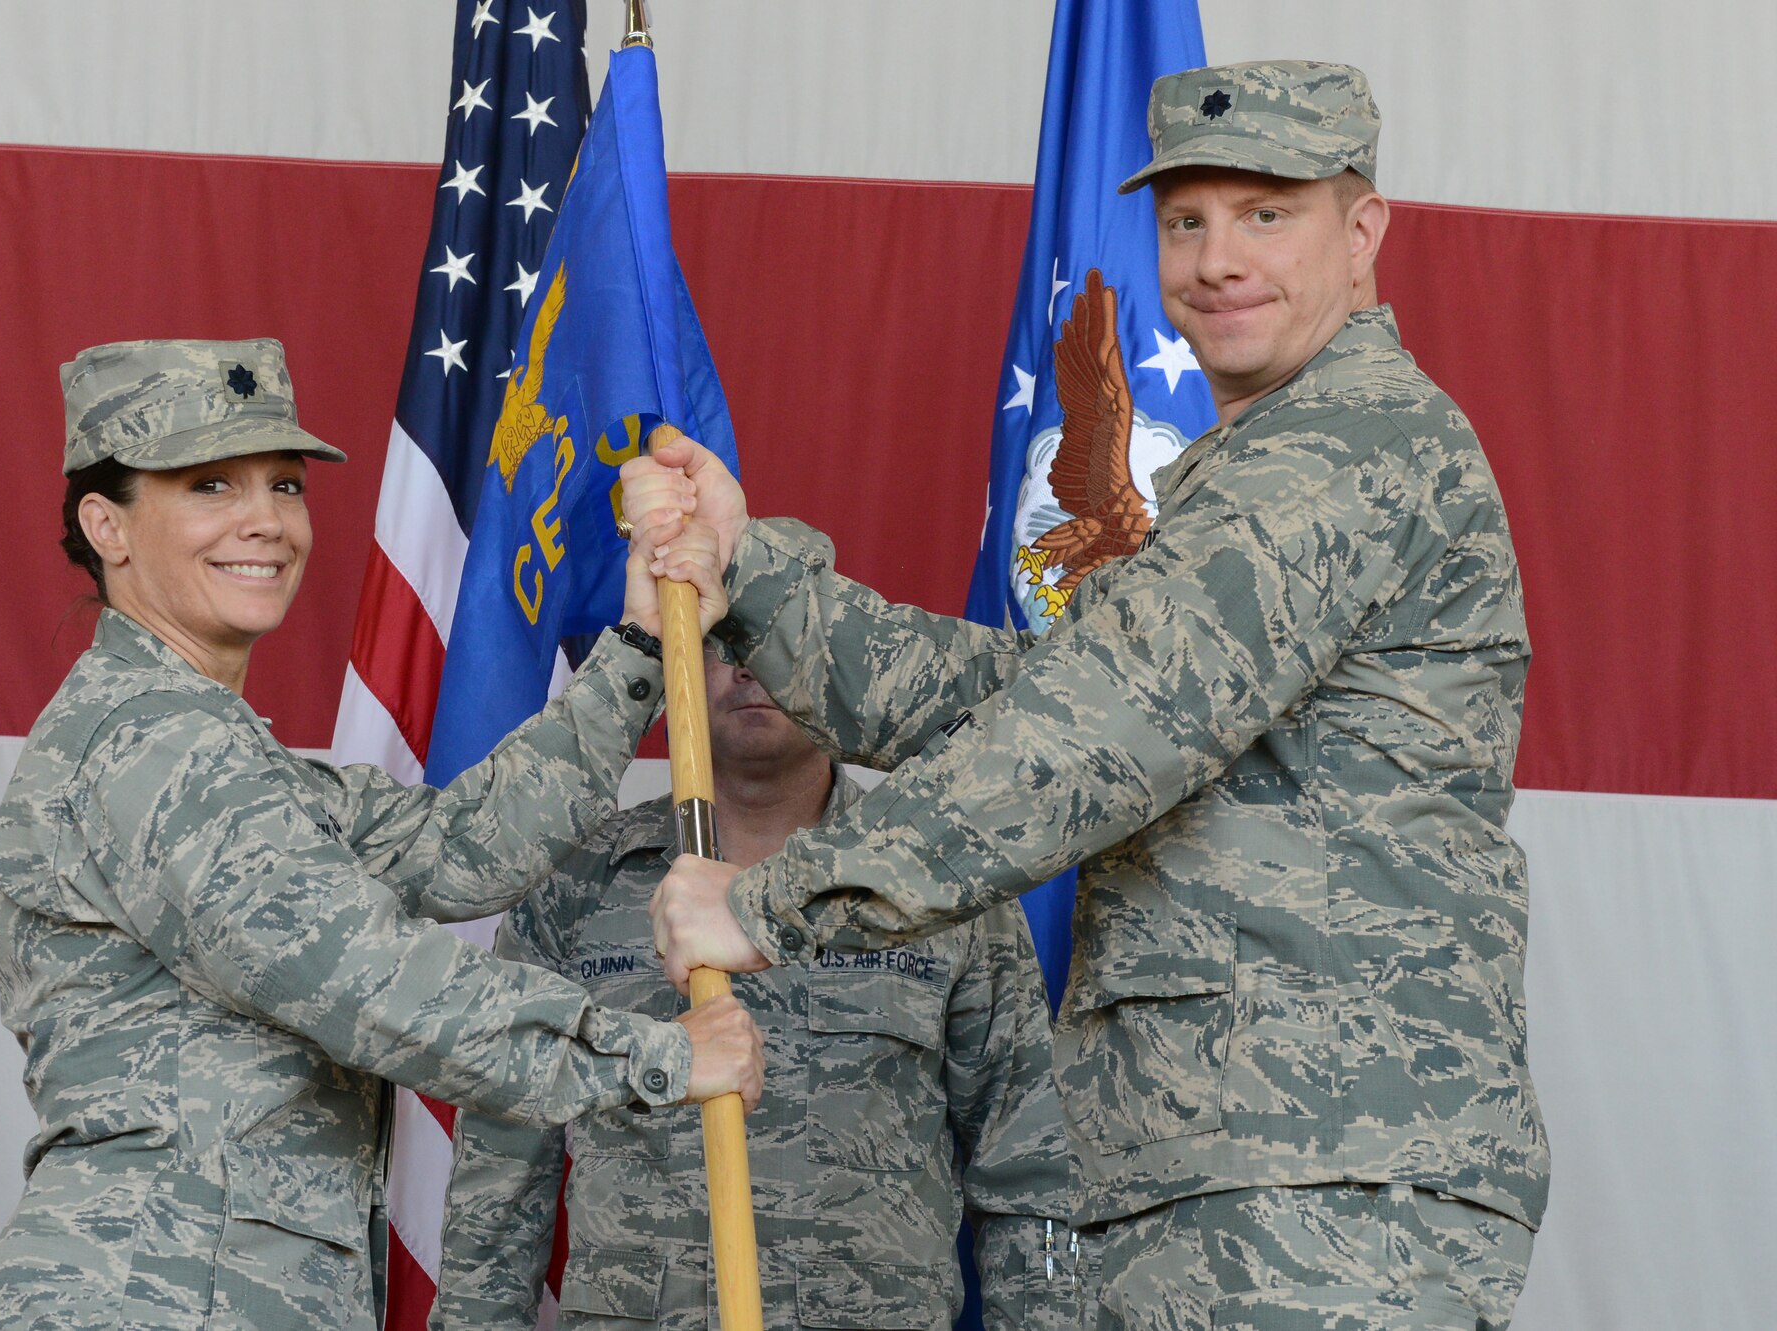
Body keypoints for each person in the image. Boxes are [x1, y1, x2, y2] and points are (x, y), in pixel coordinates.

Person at [627, 62, 1549, 1330]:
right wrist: (757, 577)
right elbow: (1033, 696)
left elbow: (1094, 736)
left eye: (1265, 213)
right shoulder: (1255, 470)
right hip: (1236, 1161)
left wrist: (772, 900)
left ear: (1361, 230)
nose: (1216, 259)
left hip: (1320, 1164)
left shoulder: (1350, 451)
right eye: (1185, 220)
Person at [0, 338, 763, 1331]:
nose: (265, 521)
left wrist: (641, 644)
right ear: (105, 524)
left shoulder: (224, 756)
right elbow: (384, 989)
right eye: (209, 483)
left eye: (285, 485)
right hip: (157, 1293)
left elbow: (465, 846)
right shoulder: (151, 748)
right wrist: (656, 1056)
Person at [430, 646, 1081, 1330]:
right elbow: (498, 1192)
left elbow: (1031, 1173)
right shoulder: (575, 886)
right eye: (717, 646)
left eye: (774, 637)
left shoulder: (938, 885)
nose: (747, 667)